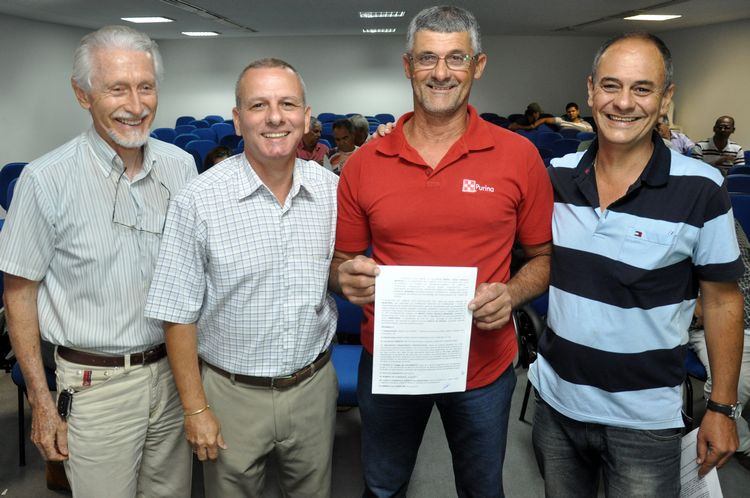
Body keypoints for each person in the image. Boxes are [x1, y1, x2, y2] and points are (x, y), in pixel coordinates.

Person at [332, 6, 553, 497]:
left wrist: (512, 294)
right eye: (427, 58)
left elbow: (542, 257)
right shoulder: (363, 164)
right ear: (408, 66)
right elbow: (340, 262)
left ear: (478, 65)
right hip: (391, 362)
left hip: (484, 365)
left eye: (456, 58)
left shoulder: (518, 156)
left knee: (481, 488)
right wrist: (346, 278)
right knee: (384, 486)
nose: (441, 73)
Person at [530, 32, 744, 497]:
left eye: (642, 89)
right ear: (590, 90)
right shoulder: (557, 176)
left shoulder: (702, 188)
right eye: (610, 86)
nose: (623, 103)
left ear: (666, 98)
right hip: (556, 405)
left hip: (645, 423)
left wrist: (723, 408)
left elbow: (724, 301)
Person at [0, 25, 196, 497]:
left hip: (172, 375)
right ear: (83, 95)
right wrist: (40, 400)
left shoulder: (180, 167)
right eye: (117, 89)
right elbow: (18, 295)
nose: (136, 104)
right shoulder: (44, 181)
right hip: (94, 387)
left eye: (145, 86)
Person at [144, 58, 339, 497]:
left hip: (313, 386)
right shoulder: (198, 200)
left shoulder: (332, 191)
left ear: (307, 118)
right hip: (231, 393)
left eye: (288, 104)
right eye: (258, 105)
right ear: (237, 119)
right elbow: (176, 314)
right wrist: (195, 410)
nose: (274, 117)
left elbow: (338, 271)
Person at [689, 219, 750, 472]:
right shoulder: (672, 215)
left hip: (743, 311)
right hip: (713, 325)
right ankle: (744, 443)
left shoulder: (727, 218)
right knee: (733, 383)